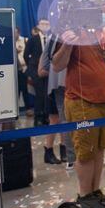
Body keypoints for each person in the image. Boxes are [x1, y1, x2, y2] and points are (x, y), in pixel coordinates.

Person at [52, 3, 105, 203]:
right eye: (93, 13)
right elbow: (57, 65)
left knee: (100, 148)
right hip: (82, 101)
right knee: (85, 151)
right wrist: (68, 44)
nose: (99, 16)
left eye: (100, 13)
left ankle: (95, 191)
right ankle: (85, 195)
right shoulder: (71, 36)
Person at [39, 34, 68, 165]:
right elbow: (41, 70)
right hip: (53, 86)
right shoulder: (52, 39)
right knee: (55, 119)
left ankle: (64, 148)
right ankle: (48, 149)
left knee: (64, 118)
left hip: (65, 84)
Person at [26, 19, 50, 125]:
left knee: (47, 95)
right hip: (36, 72)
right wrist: (32, 68)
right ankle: (38, 117)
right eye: (42, 24)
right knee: (39, 94)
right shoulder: (33, 39)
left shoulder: (51, 39)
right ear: (38, 26)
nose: (45, 26)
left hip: (48, 72)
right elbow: (26, 55)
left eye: (47, 24)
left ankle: (47, 116)